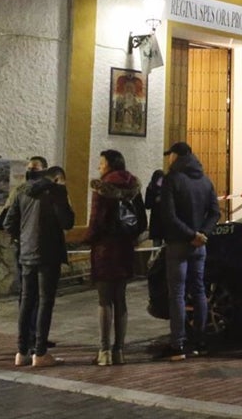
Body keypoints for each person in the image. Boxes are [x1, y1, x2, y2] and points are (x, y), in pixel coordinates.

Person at [5, 164, 74, 367]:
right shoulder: (56, 191)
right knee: (45, 302)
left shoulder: (22, 191)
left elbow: (9, 224)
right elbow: (67, 222)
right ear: (57, 178)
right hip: (49, 255)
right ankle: (41, 353)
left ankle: (22, 351)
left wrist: (23, 240)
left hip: (26, 255)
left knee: (27, 302)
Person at [159, 141, 220, 361]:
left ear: (176, 156)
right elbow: (215, 212)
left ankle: (177, 343)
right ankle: (200, 340)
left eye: (170, 155)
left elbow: (169, 215)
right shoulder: (205, 180)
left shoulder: (172, 179)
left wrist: (189, 235)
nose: (168, 159)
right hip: (199, 245)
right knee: (199, 290)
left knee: (176, 293)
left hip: (178, 243)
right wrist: (202, 233)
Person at [84, 149, 144, 365]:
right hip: (126, 249)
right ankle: (119, 350)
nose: (99, 167)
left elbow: (96, 220)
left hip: (105, 250)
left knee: (104, 300)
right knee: (121, 299)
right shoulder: (134, 187)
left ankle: (104, 351)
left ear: (109, 164)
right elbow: (141, 221)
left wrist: (87, 239)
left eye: (101, 163)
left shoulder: (102, 188)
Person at [1, 156, 52, 349]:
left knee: (35, 297)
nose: (31, 171)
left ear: (44, 170)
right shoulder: (20, 191)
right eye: (29, 168)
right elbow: (8, 218)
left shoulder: (44, 191)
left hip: (29, 248)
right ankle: (30, 338)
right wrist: (21, 236)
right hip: (27, 249)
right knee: (30, 296)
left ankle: (35, 337)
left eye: (35, 168)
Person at [145, 168, 166, 246]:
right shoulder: (151, 188)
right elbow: (147, 205)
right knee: (156, 244)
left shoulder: (167, 187)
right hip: (156, 220)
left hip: (165, 219)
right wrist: (155, 200)